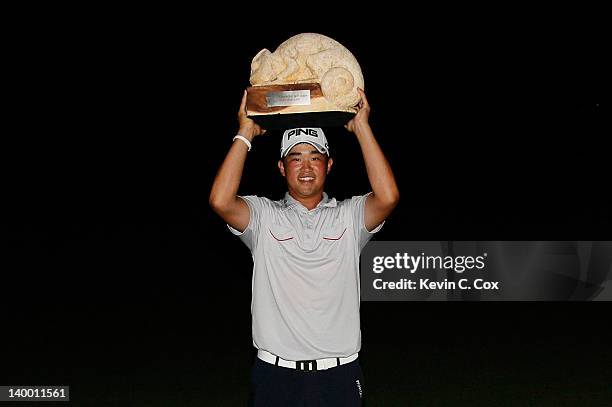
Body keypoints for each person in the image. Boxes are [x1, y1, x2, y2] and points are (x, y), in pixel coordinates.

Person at [209, 88, 399, 406]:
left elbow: (388, 197)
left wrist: (362, 127)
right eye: (296, 158)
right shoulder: (263, 217)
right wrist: (245, 132)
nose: (307, 167)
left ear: (329, 165)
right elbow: (220, 200)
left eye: (315, 157)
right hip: (276, 375)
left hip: (338, 375)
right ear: (282, 168)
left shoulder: (350, 216)